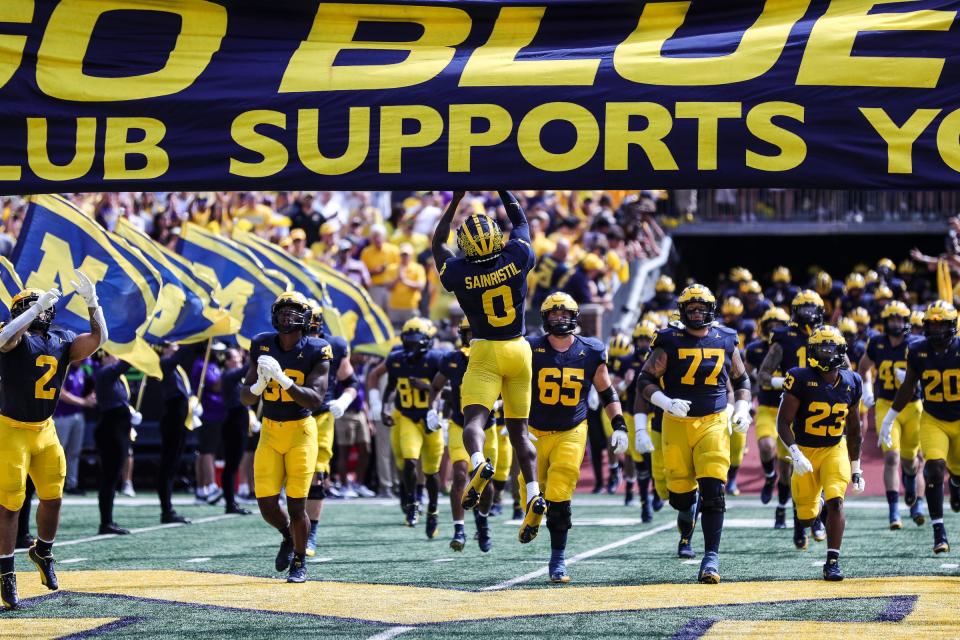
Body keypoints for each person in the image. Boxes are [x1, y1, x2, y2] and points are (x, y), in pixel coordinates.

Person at [431, 190, 544, 544]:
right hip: (520, 348)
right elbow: (521, 221)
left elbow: (438, 241)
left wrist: (455, 201)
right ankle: (534, 494)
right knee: (520, 433)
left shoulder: (459, 272)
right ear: (496, 238)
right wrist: (502, 188)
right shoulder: (517, 254)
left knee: (474, 420)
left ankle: (479, 460)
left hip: (484, 350)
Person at [0, 274, 106, 610]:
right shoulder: (13, 333)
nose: (42, 309)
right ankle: (5, 572)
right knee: (9, 506)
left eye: (43, 305)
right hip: (10, 429)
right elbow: (5, 340)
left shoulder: (61, 341)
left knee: (54, 497)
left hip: (44, 429)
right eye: (32, 304)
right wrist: (31, 312)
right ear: (20, 309)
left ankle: (43, 551)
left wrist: (93, 303)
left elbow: (98, 340)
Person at [636, 284, 751, 583]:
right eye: (692, 308)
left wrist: (741, 409)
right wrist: (665, 402)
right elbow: (645, 379)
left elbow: (742, 379)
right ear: (683, 310)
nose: (697, 313)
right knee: (680, 497)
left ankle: (711, 558)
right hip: (675, 423)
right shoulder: (669, 339)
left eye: (702, 308)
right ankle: (685, 515)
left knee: (714, 490)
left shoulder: (725, 338)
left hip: (713, 421)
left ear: (711, 310)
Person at [522, 292, 628, 583]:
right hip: (533, 431)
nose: (559, 318)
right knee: (529, 493)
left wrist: (619, 424)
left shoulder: (591, 350)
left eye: (564, 313)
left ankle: (558, 560)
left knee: (560, 493)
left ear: (574, 316)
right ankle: (532, 516)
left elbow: (607, 391)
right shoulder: (530, 348)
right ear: (545, 319)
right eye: (553, 314)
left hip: (571, 428)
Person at [240, 292, 331, 584]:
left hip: (300, 432)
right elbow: (244, 397)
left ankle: (300, 562)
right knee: (266, 503)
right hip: (269, 429)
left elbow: (315, 399)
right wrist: (258, 387)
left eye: (293, 312)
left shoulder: (318, 349)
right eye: (282, 312)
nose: (286, 317)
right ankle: (287, 536)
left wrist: (283, 380)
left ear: (305, 318)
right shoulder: (262, 343)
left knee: (296, 504)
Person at [777, 326, 865, 580]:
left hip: (834, 448)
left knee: (837, 500)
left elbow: (855, 429)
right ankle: (815, 514)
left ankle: (833, 561)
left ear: (841, 352)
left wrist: (856, 467)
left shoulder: (852, 381)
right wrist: (795, 453)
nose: (826, 354)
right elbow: (783, 422)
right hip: (805, 449)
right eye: (821, 348)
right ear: (812, 351)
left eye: (831, 348)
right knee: (806, 518)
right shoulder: (800, 377)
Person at [880, 300, 960, 554]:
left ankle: (956, 484)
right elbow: (908, 387)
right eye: (932, 325)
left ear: (952, 326)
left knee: (957, 474)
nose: (936, 331)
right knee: (934, 468)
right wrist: (890, 417)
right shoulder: (917, 350)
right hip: (933, 419)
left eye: (941, 325)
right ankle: (939, 532)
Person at [759, 289, 828, 543]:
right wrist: (785, 383)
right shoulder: (784, 338)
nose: (809, 312)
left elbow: (846, 372)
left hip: (820, 409)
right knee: (794, 468)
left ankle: (814, 517)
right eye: (804, 307)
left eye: (813, 307)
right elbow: (764, 374)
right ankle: (801, 523)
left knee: (818, 468)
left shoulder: (828, 336)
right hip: (792, 407)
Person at [370, 319, 444, 534]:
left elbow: (450, 388)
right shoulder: (396, 359)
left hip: (429, 418)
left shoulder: (437, 359)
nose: (412, 346)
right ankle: (412, 503)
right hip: (407, 417)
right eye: (408, 342)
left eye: (416, 342)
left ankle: (432, 510)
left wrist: (427, 388)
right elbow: (392, 386)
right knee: (409, 461)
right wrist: (383, 406)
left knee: (431, 472)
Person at [430, 318, 498, 552]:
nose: (472, 338)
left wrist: (501, 405)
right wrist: (433, 409)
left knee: (486, 483)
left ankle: (482, 519)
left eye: (475, 333)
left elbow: (509, 387)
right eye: (469, 334)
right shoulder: (452, 360)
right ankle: (459, 527)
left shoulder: (493, 357)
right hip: (460, 424)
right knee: (459, 475)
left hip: (487, 427)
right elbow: (436, 385)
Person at [859, 301, 925, 529]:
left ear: (906, 322)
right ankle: (894, 510)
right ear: (886, 322)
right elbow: (863, 367)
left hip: (912, 405)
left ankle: (916, 499)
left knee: (912, 460)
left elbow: (931, 373)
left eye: (899, 319)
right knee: (891, 457)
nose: (895, 323)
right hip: (886, 404)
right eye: (892, 319)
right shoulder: (877, 343)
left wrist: (911, 378)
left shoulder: (916, 344)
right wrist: (867, 390)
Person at [305, 300, 358, 556]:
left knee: (316, 475)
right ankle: (293, 531)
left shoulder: (334, 345)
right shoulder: (280, 343)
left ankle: (310, 532)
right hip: (287, 416)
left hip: (321, 416)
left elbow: (351, 381)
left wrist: (345, 400)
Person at [744, 307, 790, 506]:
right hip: (767, 408)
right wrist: (744, 401)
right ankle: (770, 475)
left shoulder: (794, 346)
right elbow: (742, 378)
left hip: (790, 410)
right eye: (770, 326)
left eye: (778, 326)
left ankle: (780, 508)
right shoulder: (756, 349)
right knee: (766, 445)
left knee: (787, 467)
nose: (774, 330)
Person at [93, 352, 134, 535]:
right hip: (111, 429)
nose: (116, 358)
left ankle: (108, 520)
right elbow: (123, 365)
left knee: (113, 476)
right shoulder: (105, 372)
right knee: (110, 477)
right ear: (104, 358)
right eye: (112, 355)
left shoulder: (115, 378)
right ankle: (106, 522)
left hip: (118, 428)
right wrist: (138, 348)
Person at [155, 343, 193, 525]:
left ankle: (168, 508)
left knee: (172, 465)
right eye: (172, 345)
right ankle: (166, 510)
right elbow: (180, 355)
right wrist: (200, 334)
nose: (176, 347)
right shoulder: (164, 362)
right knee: (168, 465)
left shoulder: (176, 368)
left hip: (180, 419)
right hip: (172, 418)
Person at [220, 348, 252, 516]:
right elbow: (245, 369)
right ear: (227, 361)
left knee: (234, 464)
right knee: (231, 464)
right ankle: (230, 502)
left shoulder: (234, 375)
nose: (239, 358)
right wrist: (255, 355)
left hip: (239, 421)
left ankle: (231, 501)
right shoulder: (228, 374)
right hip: (234, 421)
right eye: (235, 356)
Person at [53, 362, 93, 495]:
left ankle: (71, 484)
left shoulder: (81, 371)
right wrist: (83, 402)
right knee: (57, 452)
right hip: (62, 416)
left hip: (78, 416)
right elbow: (61, 393)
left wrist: (91, 397)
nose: (83, 360)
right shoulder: (63, 369)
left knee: (74, 452)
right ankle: (52, 484)